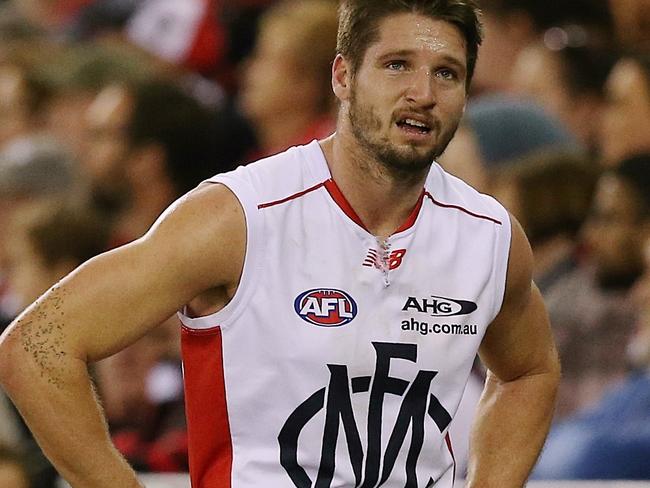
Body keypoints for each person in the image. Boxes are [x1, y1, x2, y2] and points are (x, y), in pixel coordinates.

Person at [0, 1, 561, 487]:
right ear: (342, 77)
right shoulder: (236, 218)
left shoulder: (488, 235)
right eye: (397, 65)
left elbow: (529, 373)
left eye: (447, 73)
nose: (423, 93)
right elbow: (37, 347)